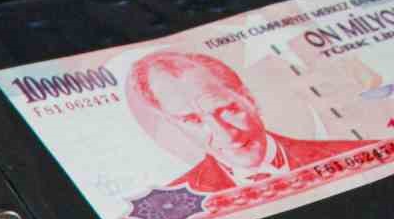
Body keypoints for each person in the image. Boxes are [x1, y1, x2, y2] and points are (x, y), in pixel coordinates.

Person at [128, 51, 366, 193]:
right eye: (192, 120)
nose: (225, 135)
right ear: (175, 126)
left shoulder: (357, 153)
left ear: (250, 99)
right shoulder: (176, 205)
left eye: (226, 109)